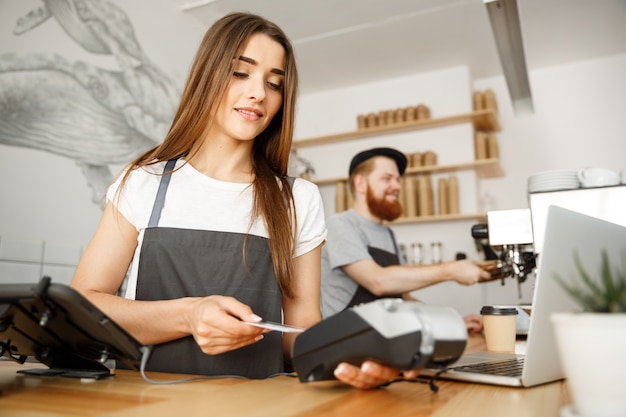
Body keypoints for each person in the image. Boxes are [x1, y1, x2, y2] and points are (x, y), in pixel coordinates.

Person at [70, 12, 410, 389]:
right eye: (239, 72)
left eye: (275, 83)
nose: (259, 93)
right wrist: (189, 315)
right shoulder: (143, 181)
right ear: (208, 76)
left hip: (258, 404)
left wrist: (350, 357)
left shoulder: (297, 199)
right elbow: (85, 306)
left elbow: (301, 331)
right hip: (148, 402)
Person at [320, 147, 490, 332]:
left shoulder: (388, 234)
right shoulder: (340, 224)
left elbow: (403, 297)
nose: (397, 186)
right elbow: (378, 282)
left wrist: (450, 321)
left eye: (398, 180)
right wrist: (451, 270)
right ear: (360, 183)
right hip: (345, 342)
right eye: (387, 179)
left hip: (381, 338)